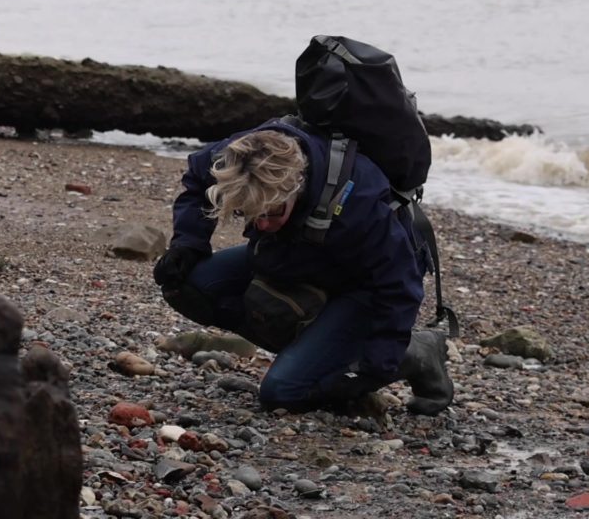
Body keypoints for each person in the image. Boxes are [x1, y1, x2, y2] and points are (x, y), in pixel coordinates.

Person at [153, 118, 453, 416]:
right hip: (296, 256)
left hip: (363, 285)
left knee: (282, 394)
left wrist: (377, 368)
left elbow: (400, 286)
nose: (263, 224)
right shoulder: (240, 157)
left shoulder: (358, 200)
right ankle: (315, 351)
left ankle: (416, 352)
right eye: (252, 214)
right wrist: (188, 243)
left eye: (273, 213)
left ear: (297, 186)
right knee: (187, 285)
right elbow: (196, 178)